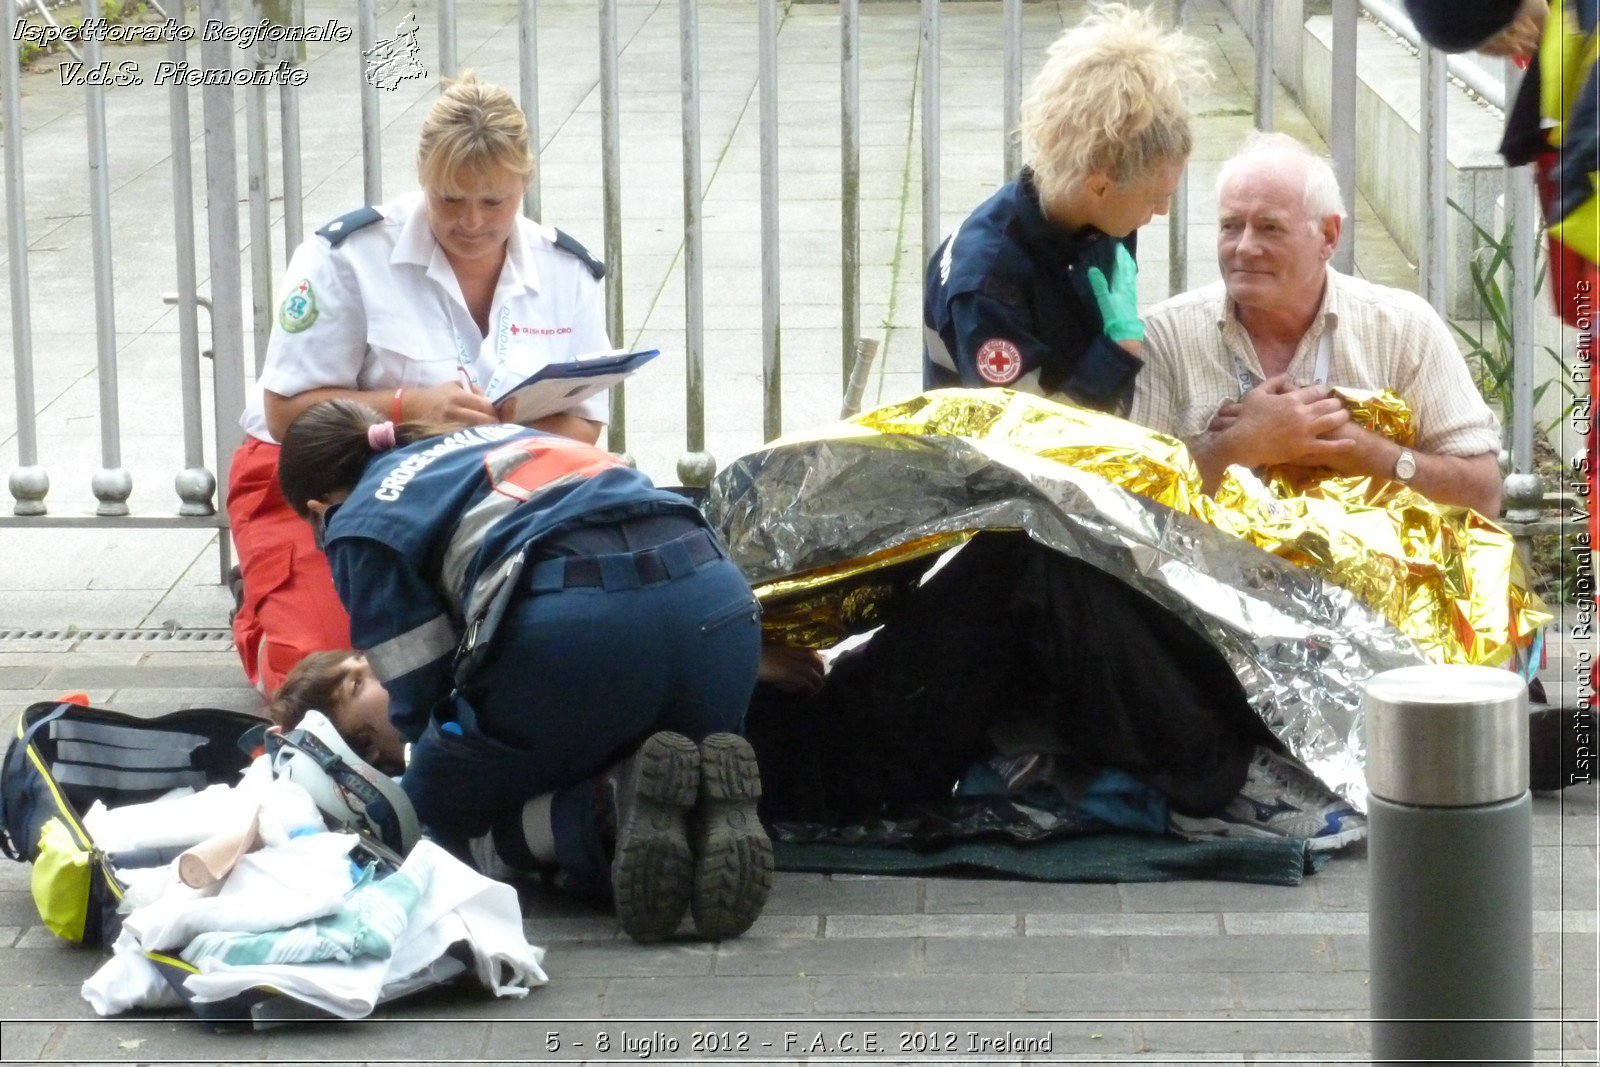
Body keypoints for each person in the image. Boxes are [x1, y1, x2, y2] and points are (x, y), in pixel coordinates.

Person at [268, 534, 1371, 854]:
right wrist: (732, 661)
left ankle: (1274, 733)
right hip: (845, 745)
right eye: (380, 732)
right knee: (1019, 567)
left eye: (372, 690)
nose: (399, 715)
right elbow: (610, 707)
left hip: (831, 711)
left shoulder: (492, 672)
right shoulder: (480, 739)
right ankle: (1220, 770)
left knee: (1059, 576)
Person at [273, 399, 771, 943]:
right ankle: (698, 804)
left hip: (581, 632)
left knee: (436, 816)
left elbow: (421, 691)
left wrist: (434, 780)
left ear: (321, 506)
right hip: (722, 614)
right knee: (632, 738)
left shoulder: (360, 518)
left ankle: (606, 813)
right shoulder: (503, 438)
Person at [227, 73, 611, 695]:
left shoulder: (567, 269)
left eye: (494, 202)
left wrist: (500, 453)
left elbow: (584, 423)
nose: (471, 222)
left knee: (546, 642)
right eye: (449, 199)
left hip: (482, 485)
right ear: (422, 177)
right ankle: (267, 589)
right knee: (328, 678)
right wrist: (412, 407)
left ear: (525, 183)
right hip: (327, 477)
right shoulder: (346, 255)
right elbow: (283, 413)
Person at [1133, 132, 1505, 516]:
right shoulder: (1165, 336)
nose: (1243, 247)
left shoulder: (1402, 328)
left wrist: (1365, 452)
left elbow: (1484, 494)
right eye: (1230, 226)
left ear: (1328, 236)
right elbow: (1127, 505)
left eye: (1269, 228)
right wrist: (1232, 447)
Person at [922, 4, 1210, 414]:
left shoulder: (1100, 216)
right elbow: (1027, 439)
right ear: (1099, 185)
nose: (1162, 211)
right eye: (1154, 197)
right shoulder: (988, 285)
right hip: (993, 467)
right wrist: (1116, 355)